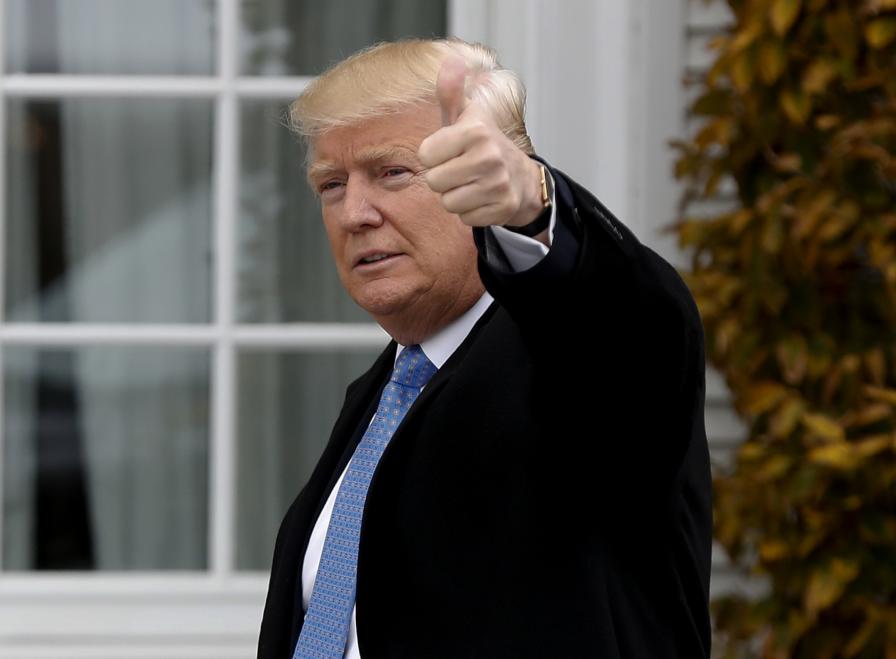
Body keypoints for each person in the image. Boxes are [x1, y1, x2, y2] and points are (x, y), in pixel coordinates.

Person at [258, 37, 712, 658]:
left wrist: (536, 208)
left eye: (393, 171)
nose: (355, 212)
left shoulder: (571, 359)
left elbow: (635, 322)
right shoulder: (383, 394)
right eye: (331, 185)